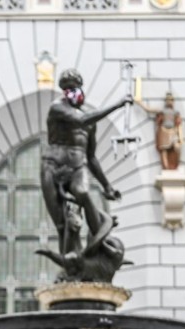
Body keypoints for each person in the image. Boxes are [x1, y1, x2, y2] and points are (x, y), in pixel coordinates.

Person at [41, 69, 132, 259]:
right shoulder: (57, 108)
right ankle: (70, 265)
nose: (72, 92)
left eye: (75, 88)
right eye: (68, 89)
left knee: (82, 192)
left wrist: (107, 185)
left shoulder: (91, 124)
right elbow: (79, 120)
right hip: (53, 167)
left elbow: (91, 157)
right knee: (62, 224)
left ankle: (100, 242)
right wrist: (118, 105)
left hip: (77, 168)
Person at [136, 92, 183, 170]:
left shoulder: (175, 113)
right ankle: (166, 167)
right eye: (168, 100)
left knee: (176, 148)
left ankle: (174, 167)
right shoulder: (161, 111)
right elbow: (149, 109)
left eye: (171, 100)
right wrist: (140, 103)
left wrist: (180, 137)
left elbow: (179, 125)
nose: (169, 102)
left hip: (172, 132)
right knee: (163, 150)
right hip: (163, 132)